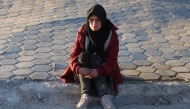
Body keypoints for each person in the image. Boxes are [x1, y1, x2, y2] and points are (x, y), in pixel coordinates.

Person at [60, 4, 123, 109]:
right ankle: (85, 96)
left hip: (104, 71)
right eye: (91, 20)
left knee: (94, 57)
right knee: (83, 56)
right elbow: (73, 55)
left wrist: (99, 70)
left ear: (103, 20)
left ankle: (105, 96)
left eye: (98, 20)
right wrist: (79, 69)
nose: (94, 23)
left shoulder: (111, 35)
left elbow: (112, 60)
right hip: (85, 71)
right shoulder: (83, 31)